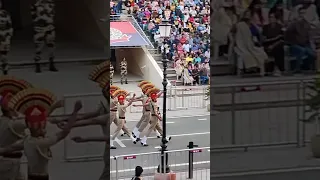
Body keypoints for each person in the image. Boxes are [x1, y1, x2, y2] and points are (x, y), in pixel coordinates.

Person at [1, 88, 82, 180]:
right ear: (38, 127)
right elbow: (64, 133)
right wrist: (75, 111)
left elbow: (8, 148)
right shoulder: (40, 142)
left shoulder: (27, 140)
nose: (45, 130)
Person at [234, 10, 268, 76]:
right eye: (247, 14)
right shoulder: (240, 24)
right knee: (247, 54)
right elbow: (238, 35)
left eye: (249, 14)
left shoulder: (252, 24)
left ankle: (255, 68)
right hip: (243, 44)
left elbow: (258, 33)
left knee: (260, 53)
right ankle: (250, 68)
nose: (248, 16)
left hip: (252, 43)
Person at [285, 6, 316, 72]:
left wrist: (312, 46)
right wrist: (293, 23)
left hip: (305, 44)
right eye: (301, 13)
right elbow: (287, 32)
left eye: (304, 13)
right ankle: (297, 68)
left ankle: (307, 67)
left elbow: (309, 36)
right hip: (295, 44)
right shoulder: (294, 23)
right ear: (298, 14)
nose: (302, 15)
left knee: (312, 54)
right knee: (302, 50)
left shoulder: (307, 24)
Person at [31, 0, 58, 73]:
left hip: (50, 28)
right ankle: (37, 65)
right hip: (39, 28)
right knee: (38, 47)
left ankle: (52, 64)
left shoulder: (51, 3)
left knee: (51, 46)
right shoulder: (35, 4)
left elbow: (52, 14)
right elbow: (33, 16)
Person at [0, 1, 13, 75]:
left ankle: (5, 70)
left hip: (3, 37)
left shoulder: (5, 13)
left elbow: (10, 26)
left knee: (4, 55)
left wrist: (8, 36)